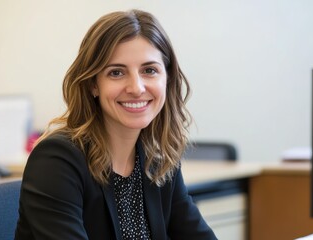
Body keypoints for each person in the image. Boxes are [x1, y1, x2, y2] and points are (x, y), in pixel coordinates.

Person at [14, 9, 217, 240]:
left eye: (149, 70)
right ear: (93, 85)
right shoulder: (57, 160)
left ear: (167, 79)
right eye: (117, 72)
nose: (136, 87)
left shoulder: (158, 159)